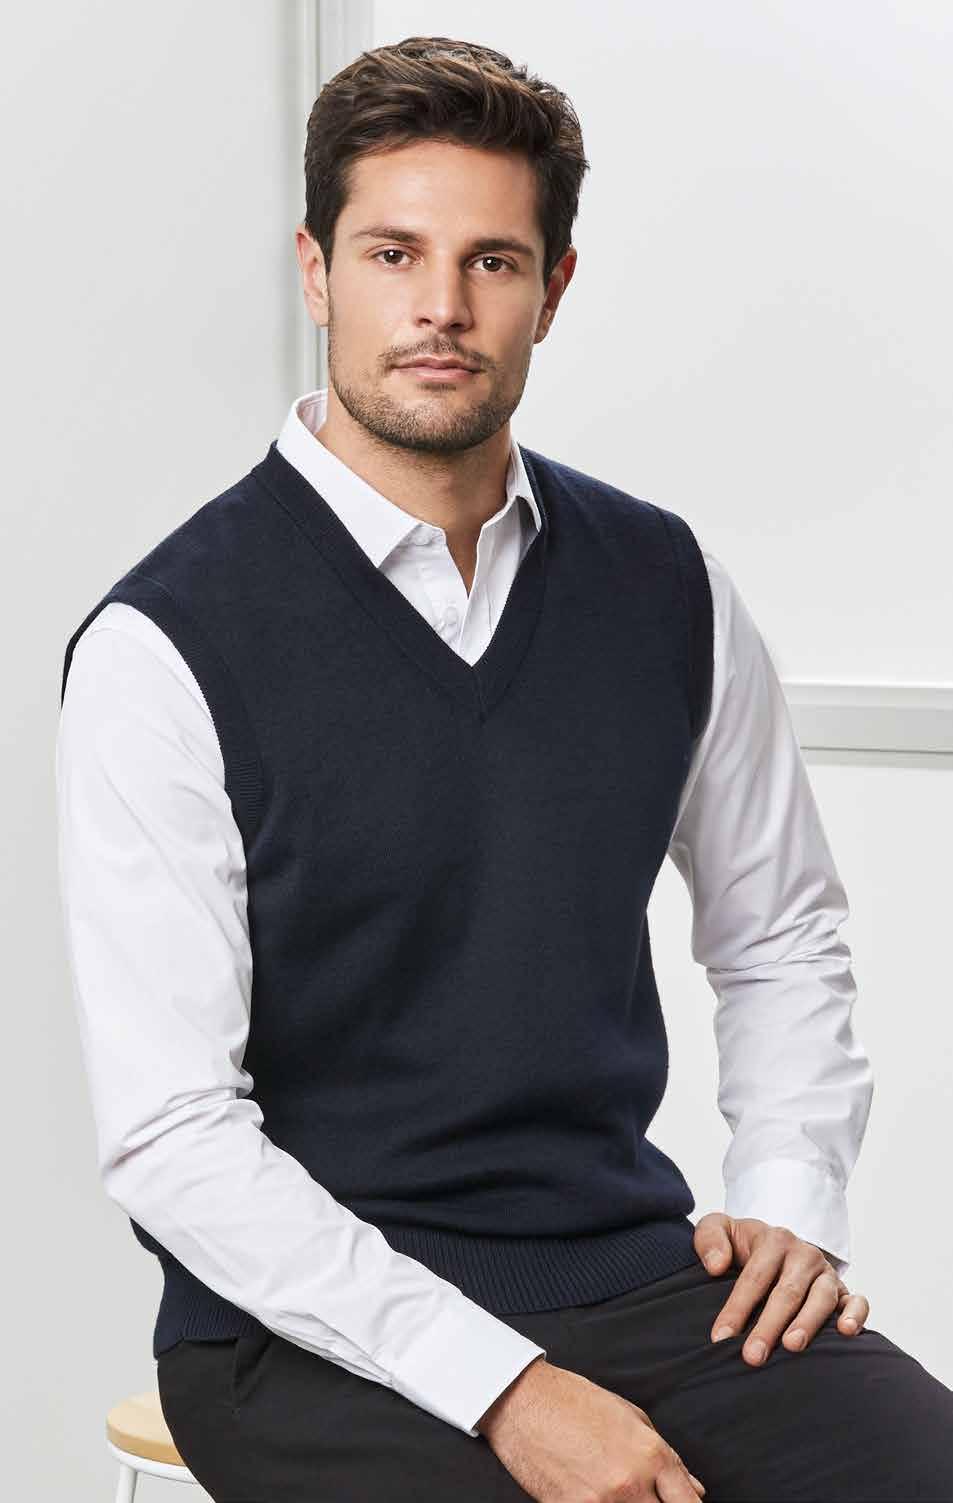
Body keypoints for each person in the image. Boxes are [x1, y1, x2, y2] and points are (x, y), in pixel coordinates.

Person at [55, 34, 953, 1503]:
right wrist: (508, 1391)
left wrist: (791, 1200)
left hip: (630, 1270)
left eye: (492, 261)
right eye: (392, 254)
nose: (441, 306)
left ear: (555, 287)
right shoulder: (164, 645)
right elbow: (173, 1136)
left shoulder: (663, 584)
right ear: (315, 271)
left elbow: (780, 928)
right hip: (297, 1331)